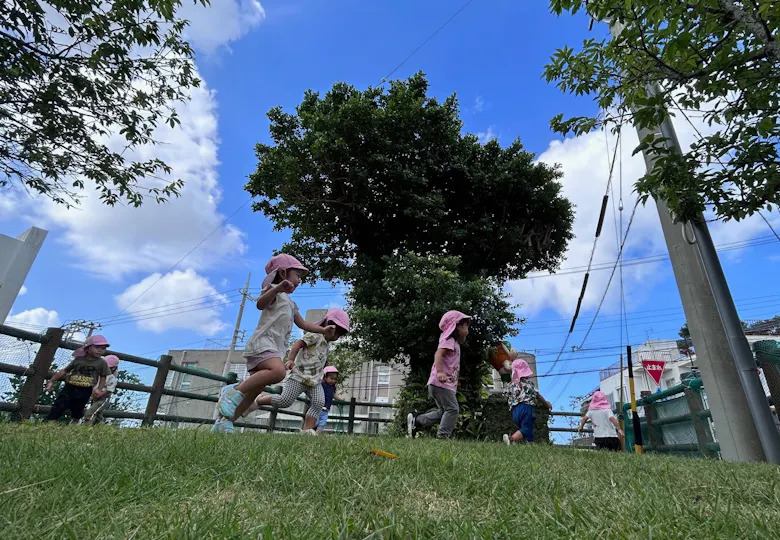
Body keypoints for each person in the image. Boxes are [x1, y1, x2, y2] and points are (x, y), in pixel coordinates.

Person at [212, 254, 337, 433]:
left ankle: (225, 422)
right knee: (278, 372)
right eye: (297, 275)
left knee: (255, 390)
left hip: (274, 350)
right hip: (263, 344)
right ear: (284, 273)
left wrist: (323, 330)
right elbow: (260, 304)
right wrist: (277, 288)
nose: (299, 280)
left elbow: (304, 325)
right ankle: (233, 392)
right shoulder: (272, 291)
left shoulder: (291, 304)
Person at [249, 309, 350, 434]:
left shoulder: (327, 344)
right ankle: (259, 401)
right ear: (327, 324)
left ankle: (307, 431)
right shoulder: (315, 334)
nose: (335, 337)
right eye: (335, 333)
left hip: (314, 381)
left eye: (339, 336)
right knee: (284, 401)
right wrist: (290, 359)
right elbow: (298, 344)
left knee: (319, 403)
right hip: (299, 376)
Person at [407, 310, 471, 439]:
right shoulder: (448, 339)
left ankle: (417, 421)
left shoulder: (455, 342)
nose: (467, 331)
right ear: (457, 326)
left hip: (442, 384)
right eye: (466, 327)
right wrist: (440, 372)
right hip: (441, 382)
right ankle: (442, 437)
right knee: (453, 409)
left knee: (444, 411)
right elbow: (439, 354)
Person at [44, 335, 111, 424]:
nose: (100, 350)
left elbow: (103, 376)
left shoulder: (102, 362)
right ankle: (50, 422)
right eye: (97, 347)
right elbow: (65, 370)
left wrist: (99, 389)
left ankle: (74, 423)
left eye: (103, 348)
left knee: (78, 408)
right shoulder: (78, 359)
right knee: (59, 404)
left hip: (86, 389)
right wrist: (52, 381)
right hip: (70, 386)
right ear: (88, 347)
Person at [502, 358, 552, 445]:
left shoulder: (511, 385)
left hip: (515, 411)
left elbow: (506, 395)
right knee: (526, 428)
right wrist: (546, 404)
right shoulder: (529, 384)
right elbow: (537, 395)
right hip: (526, 408)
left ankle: (530, 443)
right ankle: (511, 439)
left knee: (527, 429)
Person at [84, 355, 119, 426]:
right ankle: (101, 427)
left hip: (102, 399)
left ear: (113, 368)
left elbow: (109, 390)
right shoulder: (100, 375)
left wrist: (99, 396)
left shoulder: (112, 379)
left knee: (90, 412)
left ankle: (87, 427)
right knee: (98, 414)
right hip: (95, 397)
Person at [316, 366, 348, 433]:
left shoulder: (332, 387)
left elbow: (333, 395)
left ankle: (317, 433)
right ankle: (310, 431)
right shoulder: (321, 385)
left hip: (326, 409)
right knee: (315, 421)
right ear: (325, 377)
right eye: (331, 378)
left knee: (322, 422)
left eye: (334, 379)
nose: (333, 380)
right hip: (318, 407)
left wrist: (340, 399)